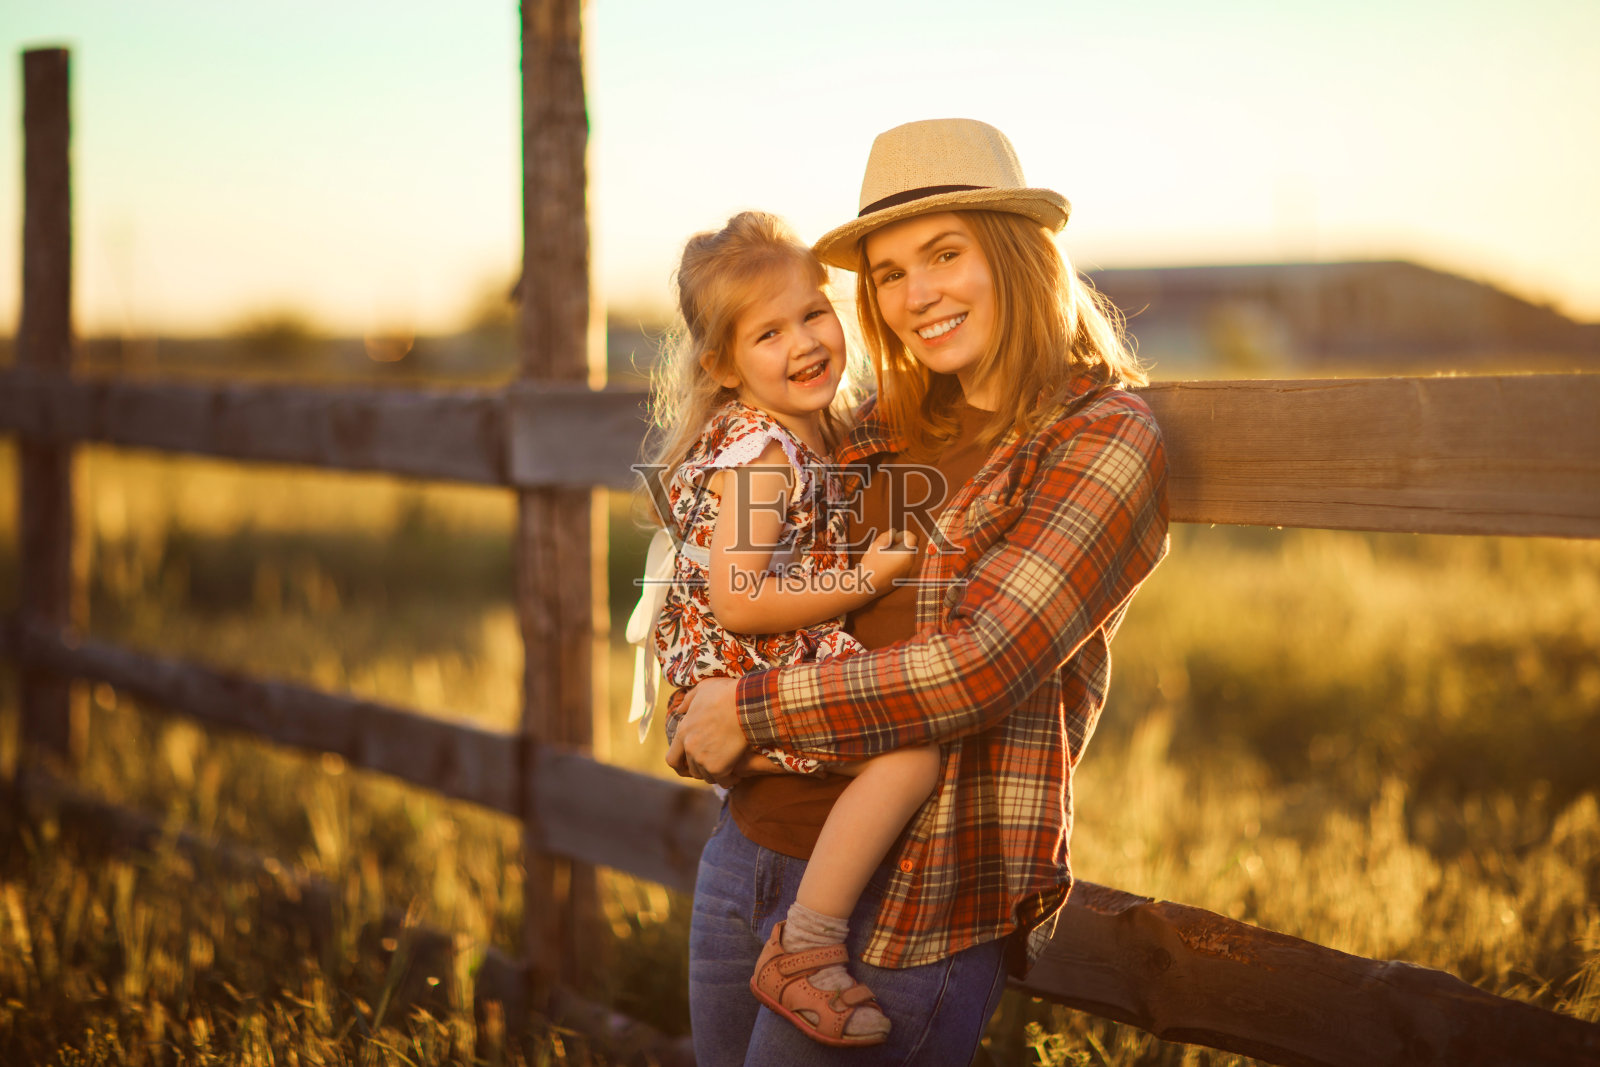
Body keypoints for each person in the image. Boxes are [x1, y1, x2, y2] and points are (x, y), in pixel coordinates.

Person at [665, 118, 1171, 1066]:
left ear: (1019, 257)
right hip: (749, 852)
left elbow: (980, 667)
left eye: (944, 253)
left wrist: (750, 709)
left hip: (917, 889)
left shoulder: (1100, 438)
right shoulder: (873, 430)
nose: (915, 295)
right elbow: (732, 566)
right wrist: (700, 686)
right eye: (889, 273)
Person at [631, 210, 943, 1047]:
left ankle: (741, 747)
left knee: (892, 739)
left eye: (813, 313)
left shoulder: (817, 428)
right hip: (748, 647)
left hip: (751, 658)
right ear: (722, 365)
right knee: (910, 750)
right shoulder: (765, 451)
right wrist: (865, 577)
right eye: (768, 332)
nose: (803, 342)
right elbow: (737, 598)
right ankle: (806, 945)